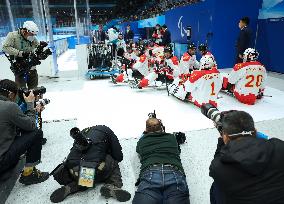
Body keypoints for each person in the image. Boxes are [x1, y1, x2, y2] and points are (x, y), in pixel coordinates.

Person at [209, 110, 284, 204]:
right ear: (255, 131)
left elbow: (220, 159)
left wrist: (221, 140)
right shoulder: (279, 146)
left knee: (216, 186)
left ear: (225, 137)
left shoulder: (219, 168)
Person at [50, 125, 131, 203]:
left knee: (85, 174)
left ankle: (71, 187)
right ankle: (113, 185)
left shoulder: (83, 132)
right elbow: (119, 156)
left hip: (73, 171)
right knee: (112, 161)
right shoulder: (107, 131)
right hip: (93, 170)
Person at [0, 79, 49, 185]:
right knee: (36, 133)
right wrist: (31, 105)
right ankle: (29, 175)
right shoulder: (9, 107)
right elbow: (31, 126)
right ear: (11, 94)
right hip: (2, 162)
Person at [132, 116, 190, 204]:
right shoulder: (171, 138)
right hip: (174, 173)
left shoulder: (142, 142)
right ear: (161, 127)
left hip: (150, 174)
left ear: (146, 129)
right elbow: (178, 150)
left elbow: (138, 151)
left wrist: (145, 134)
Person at [2, 21, 40, 89]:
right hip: (20, 68)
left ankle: (33, 99)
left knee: (34, 90)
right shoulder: (13, 36)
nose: (33, 36)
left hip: (32, 68)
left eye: (34, 35)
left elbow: (38, 45)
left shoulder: (32, 38)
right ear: (24, 31)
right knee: (21, 91)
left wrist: (41, 49)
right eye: (31, 34)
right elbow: (5, 47)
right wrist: (20, 53)